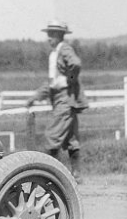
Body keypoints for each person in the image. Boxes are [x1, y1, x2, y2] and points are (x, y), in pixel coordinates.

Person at [25, 19, 89, 180]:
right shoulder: (54, 54)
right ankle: (76, 175)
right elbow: (51, 84)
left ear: (60, 35)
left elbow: (76, 64)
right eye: (48, 34)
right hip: (61, 99)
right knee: (70, 139)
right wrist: (35, 97)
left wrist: (70, 80)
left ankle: (51, 176)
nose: (49, 38)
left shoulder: (64, 49)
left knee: (52, 136)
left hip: (65, 100)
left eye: (52, 34)